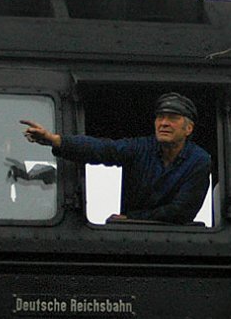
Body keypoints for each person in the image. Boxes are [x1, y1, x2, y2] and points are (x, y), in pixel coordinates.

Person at [21, 93, 210, 224]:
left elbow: (181, 211)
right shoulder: (141, 148)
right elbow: (104, 150)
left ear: (188, 128)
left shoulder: (199, 161)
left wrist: (132, 219)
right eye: (160, 117)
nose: (163, 123)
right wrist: (56, 141)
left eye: (172, 118)